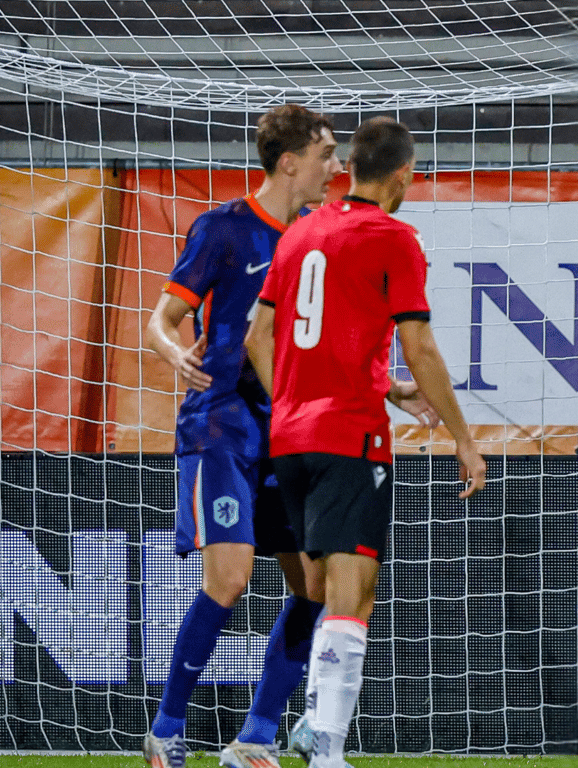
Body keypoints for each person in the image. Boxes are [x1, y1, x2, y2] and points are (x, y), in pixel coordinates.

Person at [243, 116, 487, 768]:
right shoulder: (392, 236)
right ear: (404, 175)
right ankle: (328, 749)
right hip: (349, 440)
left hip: (289, 439)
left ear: (349, 166)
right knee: (358, 591)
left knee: (320, 587)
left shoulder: (299, 232)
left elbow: (257, 339)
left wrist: (304, 402)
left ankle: (308, 727)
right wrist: (463, 437)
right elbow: (421, 346)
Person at [142, 104, 343, 768]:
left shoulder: (318, 236)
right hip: (222, 427)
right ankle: (166, 732)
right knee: (229, 578)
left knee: (314, 585)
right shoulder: (224, 230)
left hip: (286, 430)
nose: (336, 169)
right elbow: (162, 318)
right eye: (326, 156)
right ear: (290, 163)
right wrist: (172, 351)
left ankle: (255, 738)